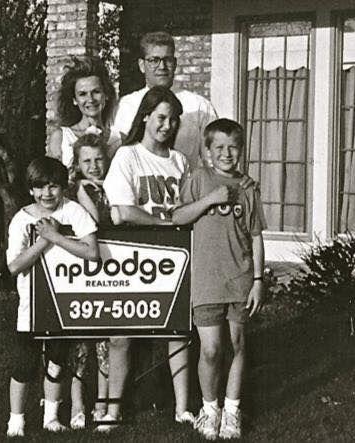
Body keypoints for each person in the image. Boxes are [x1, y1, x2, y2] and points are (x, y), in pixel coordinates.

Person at [101, 85, 217, 432]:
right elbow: (123, 211)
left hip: (173, 257)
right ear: (145, 117)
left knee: (177, 329)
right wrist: (166, 222)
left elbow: (188, 208)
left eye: (174, 119)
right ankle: (113, 410)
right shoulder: (127, 156)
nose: (168, 125)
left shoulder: (179, 161)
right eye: (161, 117)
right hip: (133, 257)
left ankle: (182, 408)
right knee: (121, 335)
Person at [172, 119, 267, 440]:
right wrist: (210, 199)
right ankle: (209, 409)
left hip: (239, 278)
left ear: (241, 150)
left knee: (237, 344)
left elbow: (256, 236)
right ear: (208, 151)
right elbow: (178, 216)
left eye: (233, 147)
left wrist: (258, 280)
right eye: (219, 148)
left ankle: (232, 411)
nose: (227, 154)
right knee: (211, 349)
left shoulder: (249, 187)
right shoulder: (199, 179)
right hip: (207, 280)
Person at [5, 157, 99, 437]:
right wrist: (45, 239)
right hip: (32, 305)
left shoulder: (74, 211)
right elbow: (14, 266)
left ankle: (51, 417)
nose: (47, 193)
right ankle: (16, 421)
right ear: (30, 189)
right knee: (25, 363)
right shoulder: (22, 219)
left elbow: (92, 252)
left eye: (53, 186)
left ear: (63, 187)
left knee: (57, 360)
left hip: (65, 302)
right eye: (40, 187)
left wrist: (56, 237)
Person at [112, 31, 218, 169]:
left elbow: (212, 161)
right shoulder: (125, 105)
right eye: (154, 60)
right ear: (142, 65)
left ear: (175, 64)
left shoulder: (199, 106)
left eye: (167, 60)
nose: (162, 67)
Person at [72, 133, 114, 423]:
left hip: (111, 270)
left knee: (105, 342)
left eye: (99, 159)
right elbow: (93, 221)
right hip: (82, 272)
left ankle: (102, 403)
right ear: (77, 164)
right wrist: (81, 190)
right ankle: (77, 405)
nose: (94, 166)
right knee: (79, 343)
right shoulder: (74, 191)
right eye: (86, 161)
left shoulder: (113, 186)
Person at [48, 56, 121, 181]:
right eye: (82, 94)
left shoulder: (118, 139)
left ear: (106, 94)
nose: (90, 99)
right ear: (74, 100)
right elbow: (51, 181)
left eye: (96, 92)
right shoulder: (61, 137)